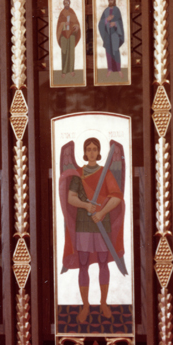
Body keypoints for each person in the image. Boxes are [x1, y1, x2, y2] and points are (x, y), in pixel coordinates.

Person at [58, 137, 126, 324]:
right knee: (83, 263)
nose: (91, 152)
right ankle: (86, 305)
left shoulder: (106, 174)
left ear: (99, 152)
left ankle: (103, 303)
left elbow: (117, 197)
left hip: (101, 221)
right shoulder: (78, 174)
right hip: (83, 222)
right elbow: (71, 198)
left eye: (95, 149)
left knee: (104, 261)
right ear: (84, 152)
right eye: (88, 149)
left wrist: (102, 211)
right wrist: (85, 206)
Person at [97, 0, 125, 77]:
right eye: (109, 0)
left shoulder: (117, 10)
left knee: (115, 51)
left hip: (115, 34)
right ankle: (110, 69)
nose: (110, 1)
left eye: (112, 0)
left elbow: (120, 22)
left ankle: (119, 70)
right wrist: (106, 20)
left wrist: (115, 23)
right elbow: (100, 23)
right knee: (108, 52)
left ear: (114, 0)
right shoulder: (106, 11)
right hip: (107, 34)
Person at [56, 0, 81, 77]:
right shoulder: (62, 13)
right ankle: (63, 71)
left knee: (71, 52)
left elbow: (76, 22)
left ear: (69, 3)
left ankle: (71, 70)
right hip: (64, 35)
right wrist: (64, 24)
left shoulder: (72, 12)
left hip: (72, 34)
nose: (66, 4)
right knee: (64, 52)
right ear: (64, 4)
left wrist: (76, 26)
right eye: (65, 3)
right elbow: (59, 24)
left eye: (67, 3)